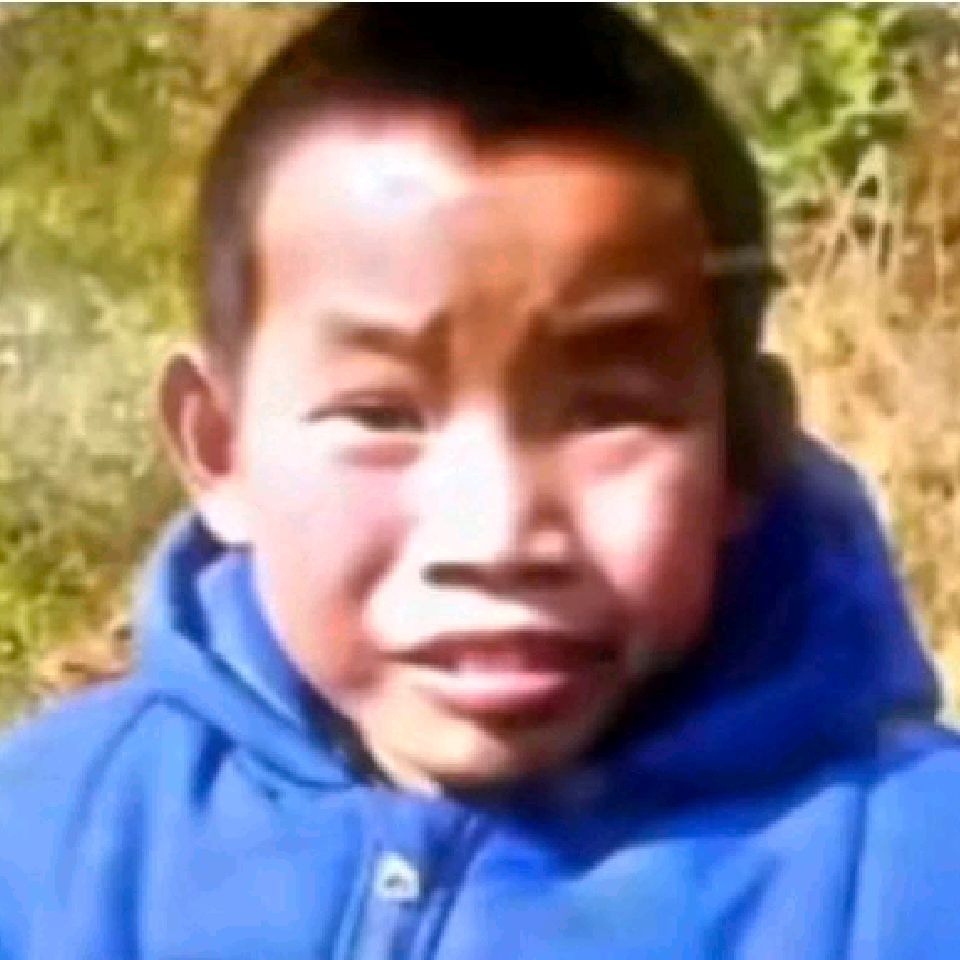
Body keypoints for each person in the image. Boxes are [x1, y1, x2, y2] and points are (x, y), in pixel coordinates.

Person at [1, 6, 958, 958]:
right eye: (380, 416)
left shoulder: (910, 878)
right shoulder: (54, 840)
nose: (494, 537)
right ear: (220, 448)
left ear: (743, 448)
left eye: (605, 414)